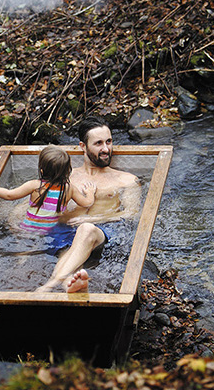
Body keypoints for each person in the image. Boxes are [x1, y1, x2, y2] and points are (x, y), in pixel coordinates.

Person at [36, 116, 142, 293]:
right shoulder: (66, 177)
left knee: (86, 229)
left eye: (109, 141)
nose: (106, 149)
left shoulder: (126, 180)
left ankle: (50, 285)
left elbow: (133, 213)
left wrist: (96, 218)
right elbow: (34, 199)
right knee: (67, 252)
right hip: (67, 228)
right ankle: (71, 283)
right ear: (83, 146)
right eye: (98, 143)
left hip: (104, 229)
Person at [0, 145, 96, 235]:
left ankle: (22, 257)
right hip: (50, 230)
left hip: (27, 228)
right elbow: (87, 203)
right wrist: (90, 192)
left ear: (41, 170)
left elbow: (9, 195)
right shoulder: (69, 189)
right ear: (68, 171)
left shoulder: (34, 186)